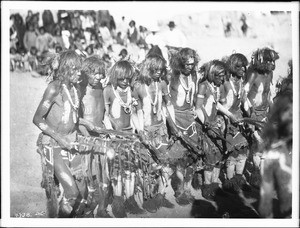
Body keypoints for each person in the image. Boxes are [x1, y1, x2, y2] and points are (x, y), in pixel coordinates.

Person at [33, 50, 87, 217]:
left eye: (80, 69)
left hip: (70, 142)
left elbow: (73, 118)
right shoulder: (54, 88)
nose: (79, 73)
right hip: (53, 144)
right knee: (72, 193)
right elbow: (37, 119)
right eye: (75, 69)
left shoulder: (75, 88)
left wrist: (88, 125)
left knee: (84, 191)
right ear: (64, 68)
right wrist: (60, 139)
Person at [133, 53, 175, 212]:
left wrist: (173, 125)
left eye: (161, 69)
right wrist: (140, 130)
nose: (158, 71)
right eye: (155, 69)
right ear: (148, 68)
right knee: (149, 166)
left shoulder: (162, 83)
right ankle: (148, 198)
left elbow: (168, 105)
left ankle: (161, 194)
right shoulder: (138, 86)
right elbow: (135, 111)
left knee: (166, 164)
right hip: (146, 130)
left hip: (161, 129)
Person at [103, 60, 145, 217]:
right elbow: (106, 114)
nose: (125, 82)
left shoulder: (131, 91)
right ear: (115, 77)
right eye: (122, 79)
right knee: (118, 171)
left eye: (128, 79)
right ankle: (118, 202)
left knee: (131, 170)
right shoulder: (108, 90)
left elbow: (134, 113)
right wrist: (111, 132)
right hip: (115, 137)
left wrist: (139, 130)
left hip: (130, 136)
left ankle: (131, 200)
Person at [195, 60, 239, 200]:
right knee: (210, 159)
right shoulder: (203, 87)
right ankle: (207, 188)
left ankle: (215, 185)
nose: (222, 79)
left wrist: (230, 115)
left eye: (223, 76)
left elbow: (216, 105)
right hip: (206, 127)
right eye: (219, 76)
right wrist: (207, 123)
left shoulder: (215, 87)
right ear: (212, 74)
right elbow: (197, 108)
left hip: (215, 125)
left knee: (219, 157)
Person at [166, 47, 202, 205]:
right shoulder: (172, 76)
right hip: (177, 118)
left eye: (193, 64)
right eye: (187, 64)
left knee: (192, 157)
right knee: (180, 158)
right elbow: (166, 104)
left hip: (190, 119)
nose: (190, 67)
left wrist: (195, 110)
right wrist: (172, 125)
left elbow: (193, 97)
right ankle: (179, 191)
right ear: (181, 63)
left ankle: (188, 188)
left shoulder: (194, 75)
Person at [78, 55, 112, 218]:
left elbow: (103, 114)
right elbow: (75, 118)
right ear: (86, 73)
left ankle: (102, 209)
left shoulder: (101, 89)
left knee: (104, 175)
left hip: (100, 137)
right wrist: (87, 136)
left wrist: (104, 130)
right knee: (87, 176)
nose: (99, 77)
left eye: (101, 73)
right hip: (85, 138)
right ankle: (87, 209)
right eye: (95, 74)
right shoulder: (80, 91)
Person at [242, 47, 279, 188]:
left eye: (272, 61)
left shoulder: (269, 74)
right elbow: (244, 95)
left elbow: (268, 94)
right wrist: (250, 115)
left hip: (265, 113)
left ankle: (260, 175)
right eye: (268, 61)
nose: (271, 64)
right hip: (253, 112)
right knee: (259, 144)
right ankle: (256, 175)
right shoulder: (252, 74)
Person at [219, 53, 250, 192]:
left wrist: (250, 113)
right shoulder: (225, 84)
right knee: (232, 153)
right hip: (226, 119)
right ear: (233, 67)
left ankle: (239, 179)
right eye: (240, 67)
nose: (244, 69)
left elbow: (244, 100)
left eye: (244, 66)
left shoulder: (241, 83)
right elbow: (218, 105)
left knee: (243, 151)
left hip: (239, 119)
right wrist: (230, 116)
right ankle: (230, 182)